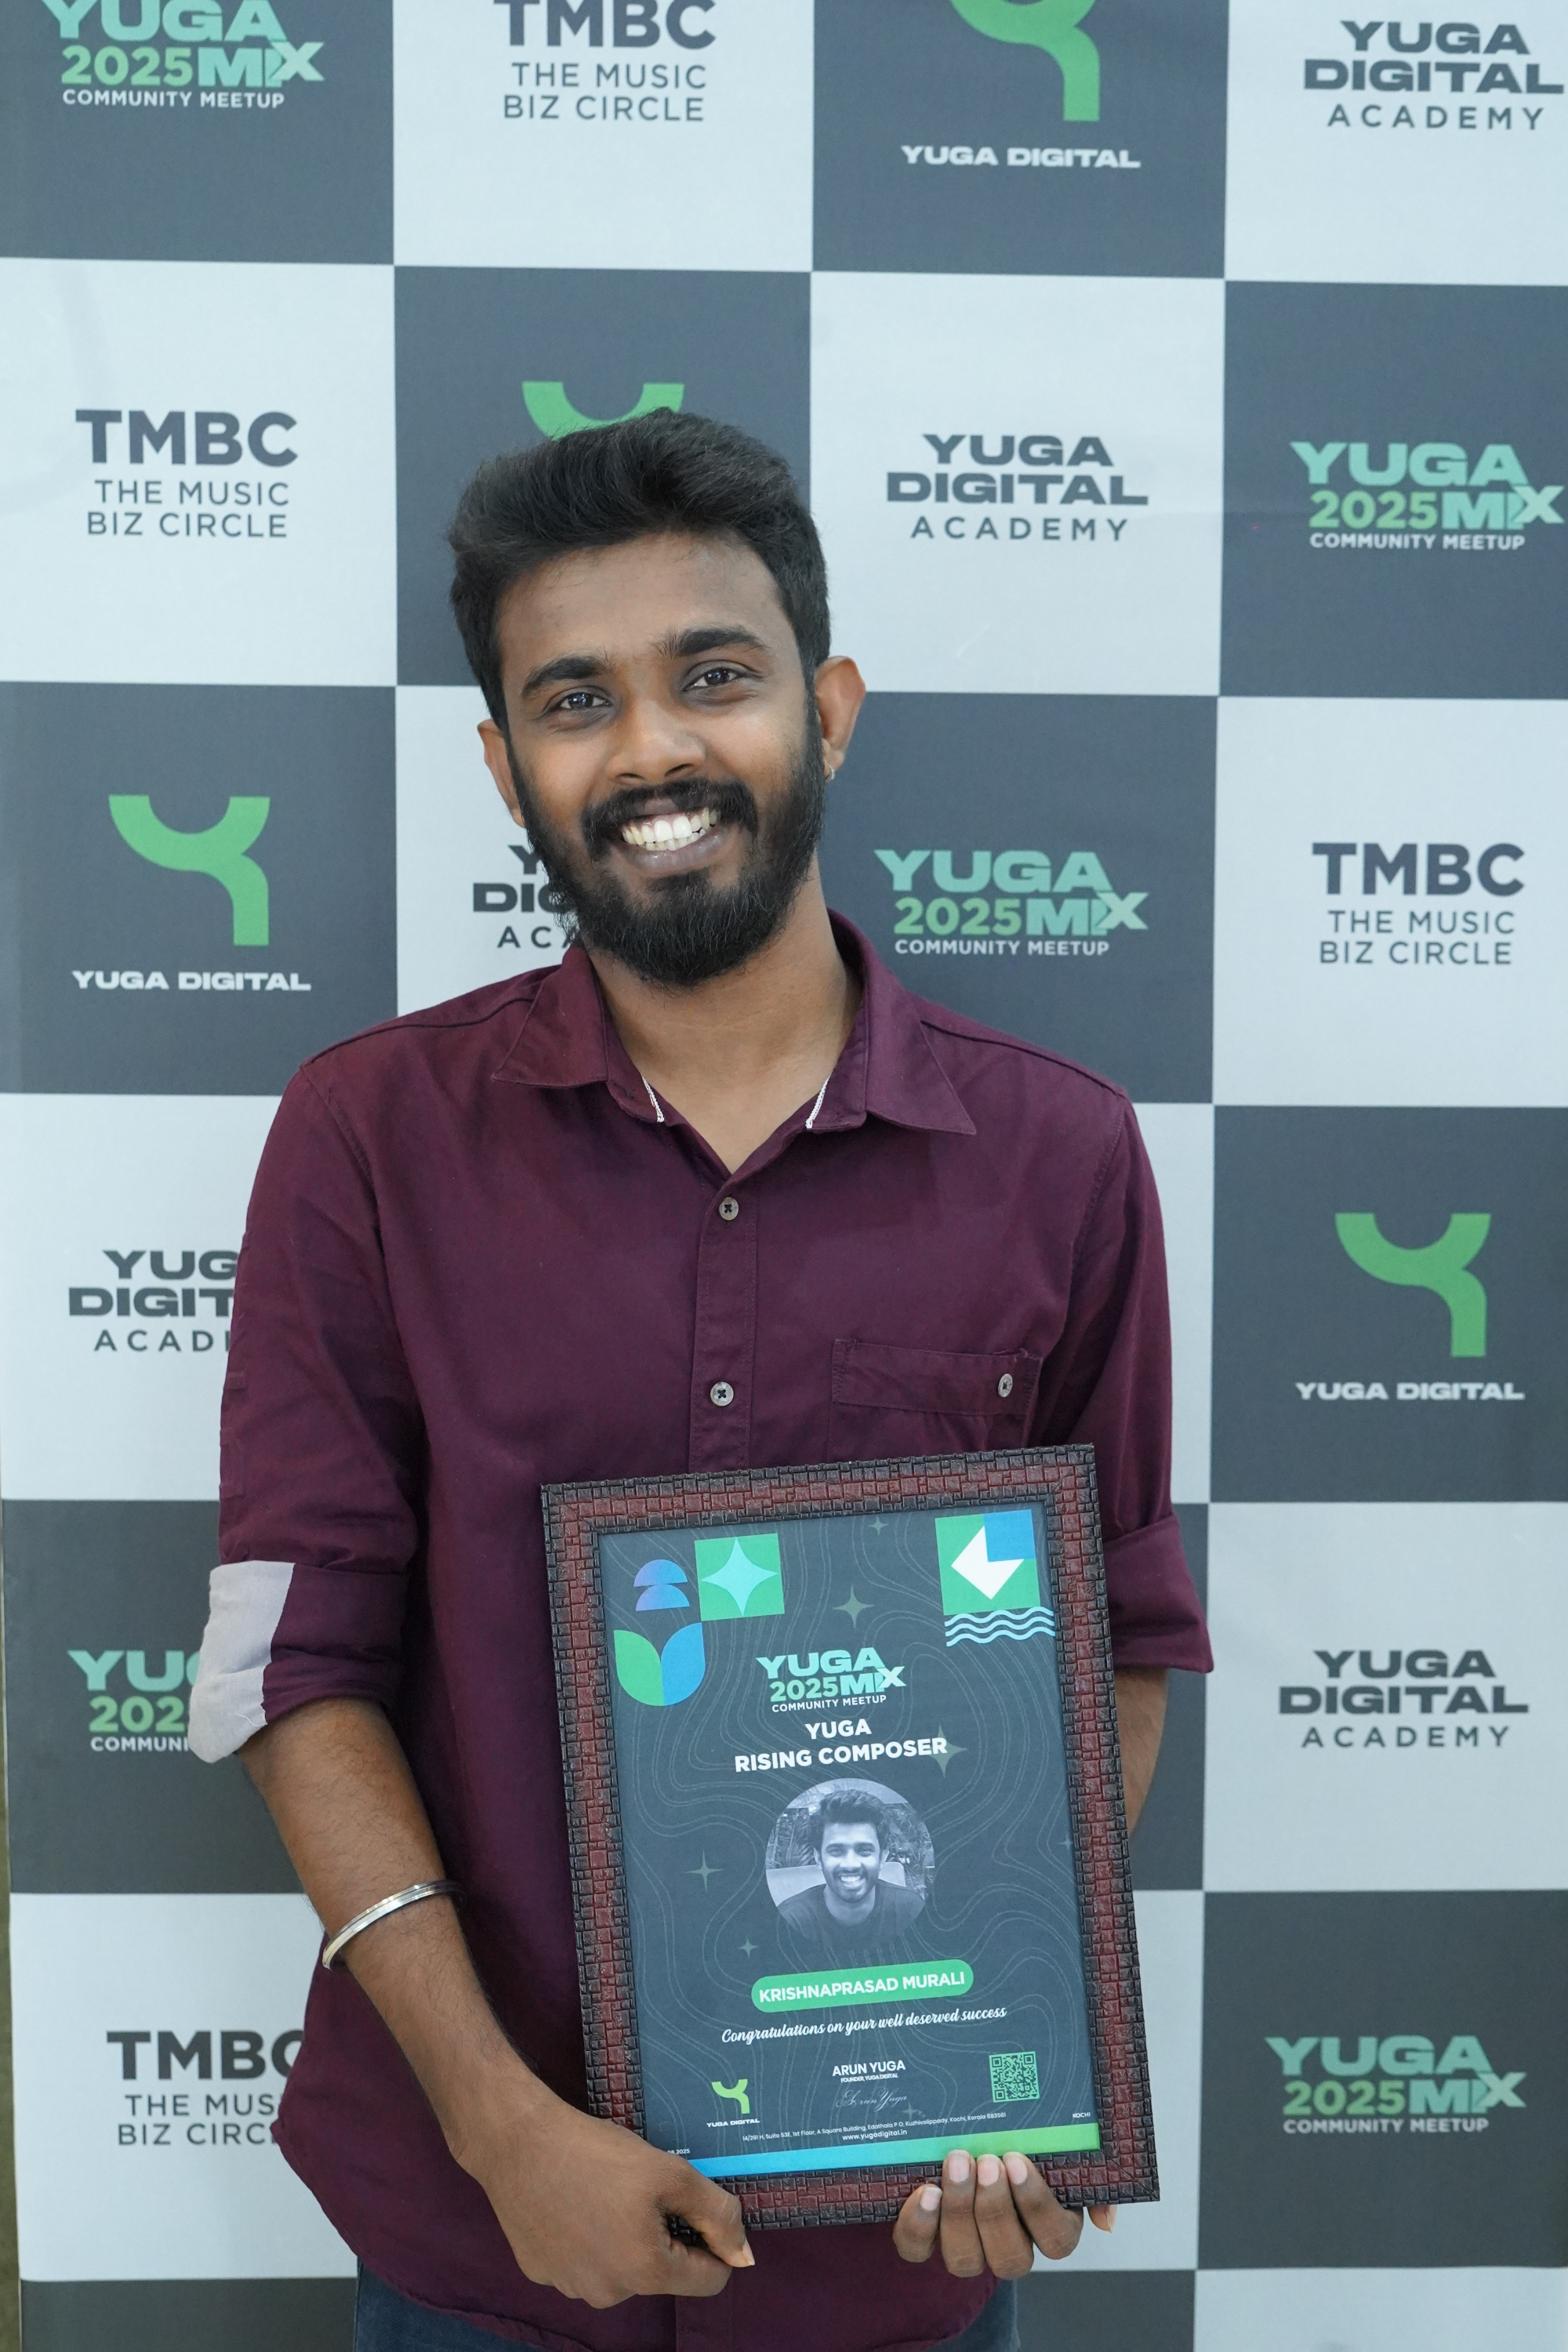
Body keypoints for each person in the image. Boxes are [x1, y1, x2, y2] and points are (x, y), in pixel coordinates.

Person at [189, 409, 1211, 2352]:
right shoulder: (366, 1137)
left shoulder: (1059, 1157)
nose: (651, 749)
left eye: (713, 676)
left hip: (889, 2245)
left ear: (825, 709)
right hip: (478, 2235)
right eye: (574, 701)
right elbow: (293, 1660)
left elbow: (1119, 1640)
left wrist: (993, 2046)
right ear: (505, 766)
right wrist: (498, 2127)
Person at [775, 1793, 926, 1958]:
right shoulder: (792, 1920)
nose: (850, 1864)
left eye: (864, 1850)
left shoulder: (909, 1909)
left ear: (882, 1858)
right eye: (836, 1851)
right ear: (818, 1858)